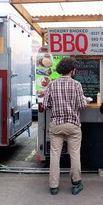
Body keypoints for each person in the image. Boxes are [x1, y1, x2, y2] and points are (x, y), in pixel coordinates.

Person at [43, 57, 92, 195]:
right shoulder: (76, 84)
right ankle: (76, 184)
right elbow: (82, 105)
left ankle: (53, 186)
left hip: (56, 125)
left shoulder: (52, 84)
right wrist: (86, 100)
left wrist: (56, 106)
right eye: (74, 68)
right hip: (73, 124)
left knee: (54, 155)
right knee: (75, 154)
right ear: (71, 70)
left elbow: (45, 104)